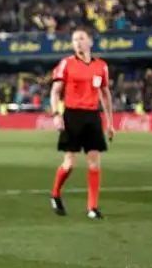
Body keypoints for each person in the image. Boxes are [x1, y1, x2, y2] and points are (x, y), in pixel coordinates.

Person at [49, 26, 115, 219]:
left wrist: (110, 123)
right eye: (75, 39)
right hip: (72, 116)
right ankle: (55, 194)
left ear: (90, 42)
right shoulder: (66, 64)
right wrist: (56, 114)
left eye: (81, 38)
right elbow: (55, 91)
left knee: (94, 162)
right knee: (69, 163)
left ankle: (92, 207)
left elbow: (104, 94)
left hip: (92, 116)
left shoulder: (100, 66)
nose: (77, 42)